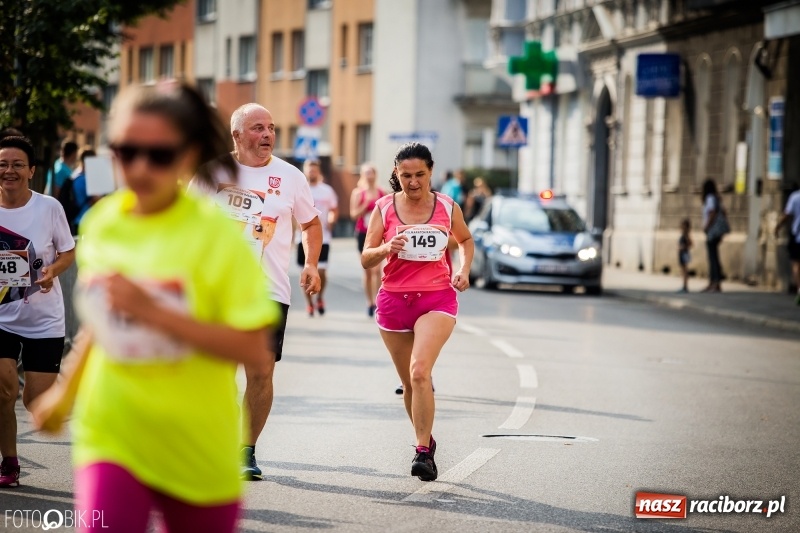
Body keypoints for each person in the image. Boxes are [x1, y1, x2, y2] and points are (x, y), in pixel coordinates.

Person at [31, 83, 280, 532]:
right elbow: (104, 321)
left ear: (188, 156)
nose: (141, 167)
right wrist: (64, 394)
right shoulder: (105, 223)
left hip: (197, 443)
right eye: (127, 152)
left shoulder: (218, 238)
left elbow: (254, 351)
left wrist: (155, 311)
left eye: (159, 154)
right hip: (114, 431)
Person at [189, 102, 322, 481]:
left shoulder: (291, 177)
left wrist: (310, 263)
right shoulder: (210, 173)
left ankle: (246, 450)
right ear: (237, 135)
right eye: (258, 128)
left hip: (269, 289)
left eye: (271, 128)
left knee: (261, 372)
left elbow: (311, 225)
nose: (267, 135)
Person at [361, 142, 473, 481]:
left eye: (419, 175)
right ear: (396, 174)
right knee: (409, 384)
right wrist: (385, 247)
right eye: (405, 175)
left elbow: (465, 240)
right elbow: (366, 257)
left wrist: (463, 270)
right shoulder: (383, 208)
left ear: (430, 172)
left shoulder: (446, 206)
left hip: (436, 299)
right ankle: (427, 438)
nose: (412, 182)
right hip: (394, 301)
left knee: (420, 371)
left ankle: (422, 452)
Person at [0, 135, 76, 487]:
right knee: (3, 389)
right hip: (3, 316)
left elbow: (68, 253)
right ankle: (10, 464)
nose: (9, 170)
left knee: (37, 402)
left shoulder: (48, 208)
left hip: (43, 318)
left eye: (17, 164)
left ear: (31, 170)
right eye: (2, 164)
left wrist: (49, 273)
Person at [297, 159, 338, 317]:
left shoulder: (326, 191)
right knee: (305, 273)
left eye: (314, 170)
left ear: (318, 171)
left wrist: (332, 219)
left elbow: (334, 209)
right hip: (301, 237)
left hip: (323, 237)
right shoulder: (300, 189)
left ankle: (320, 297)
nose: (312, 172)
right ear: (305, 171)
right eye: (309, 169)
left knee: (321, 270)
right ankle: (309, 304)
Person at [350, 162, 386, 317]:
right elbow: (353, 214)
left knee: (377, 270)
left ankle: (378, 302)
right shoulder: (358, 193)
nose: (369, 175)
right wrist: (364, 205)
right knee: (368, 271)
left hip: (378, 234)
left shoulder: (381, 192)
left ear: (375, 175)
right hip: (362, 234)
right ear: (363, 175)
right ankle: (369, 302)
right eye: (367, 173)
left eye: (372, 172)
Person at [64, 147, 98, 234]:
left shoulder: (75, 175)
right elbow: (96, 200)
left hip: (76, 219)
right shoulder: (85, 179)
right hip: (85, 220)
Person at [775, 186, 800, 305]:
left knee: (796, 263)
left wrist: (778, 227)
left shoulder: (795, 197)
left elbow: (787, 214)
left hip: (797, 235)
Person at [701, 178, 725, 293]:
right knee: (714, 256)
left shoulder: (710, 198)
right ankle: (715, 282)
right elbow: (724, 212)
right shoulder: (716, 198)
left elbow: (712, 212)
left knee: (712, 257)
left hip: (712, 231)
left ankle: (714, 282)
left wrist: (706, 226)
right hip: (717, 231)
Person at [678, 218, 692, 293]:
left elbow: (690, 244)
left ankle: (685, 286)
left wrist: (683, 247)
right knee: (682, 271)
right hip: (681, 254)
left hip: (684, 254)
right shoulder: (682, 234)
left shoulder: (686, 235)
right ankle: (684, 286)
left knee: (684, 271)